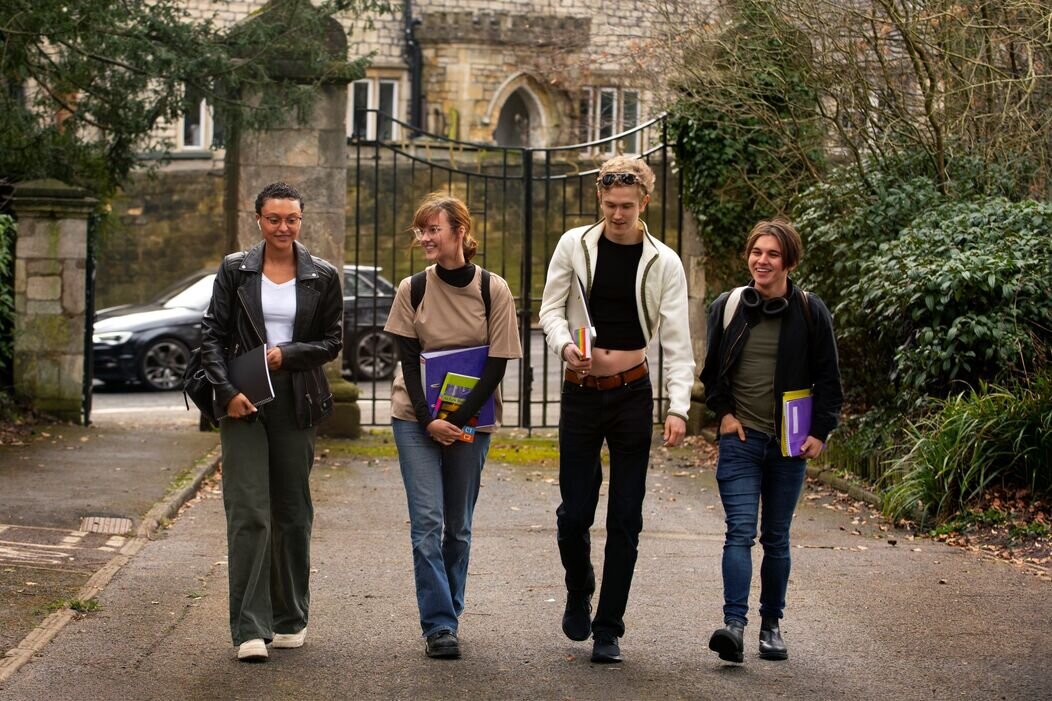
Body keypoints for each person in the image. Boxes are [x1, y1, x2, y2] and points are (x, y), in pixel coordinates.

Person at [538, 156, 695, 664]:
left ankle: (609, 628)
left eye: (627, 206)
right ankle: (578, 585)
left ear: (644, 202)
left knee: (626, 516)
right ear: (599, 201)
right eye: (609, 206)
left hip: (632, 393)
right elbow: (550, 310)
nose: (618, 214)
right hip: (581, 391)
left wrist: (678, 406)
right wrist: (564, 346)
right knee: (574, 512)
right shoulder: (574, 244)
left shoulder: (664, 261)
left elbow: (676, 339)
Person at [200, 182, 343, 662]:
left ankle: (289, 618)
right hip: (242, 398)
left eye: (292, 219)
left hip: (296, 397)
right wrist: (227, 393)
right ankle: (250, 629)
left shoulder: (321, 275)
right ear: (258, 220)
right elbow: (212, 336)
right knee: (249, 512)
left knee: (292, 511)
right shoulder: (235, 270)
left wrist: (287, 356)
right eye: (274, 219)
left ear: (302, 221)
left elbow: (331, 341)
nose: (283, 227)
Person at [383, 193, 522, 659]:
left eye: (432, 230)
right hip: (415, 418)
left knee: (457, 527)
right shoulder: (413, 288)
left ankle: (450, 611)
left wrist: (455, 422)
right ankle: (440, 626)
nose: (424, 238)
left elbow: (498, 364)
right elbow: (404, 360)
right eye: (420, 231)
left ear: (460, 232)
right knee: (427, 523)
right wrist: (429, 420)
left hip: (470, 422)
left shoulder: (493, 289)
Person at [699, 218, 843, 664]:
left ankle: (771, 626)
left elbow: (829, 378)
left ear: (789, 261)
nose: (762, 261)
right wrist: (723, 415)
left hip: (789, 445)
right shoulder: (727, 306)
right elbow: (711, 373)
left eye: (772, 254)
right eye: (756, 252)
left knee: (776, 537)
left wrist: (820, 431)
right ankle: (735, 626)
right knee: (739, 532)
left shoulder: (809, 310)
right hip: (740, 441)